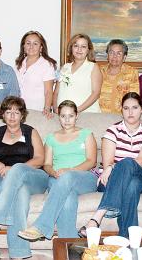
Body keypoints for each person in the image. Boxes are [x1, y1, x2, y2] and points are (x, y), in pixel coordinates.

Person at [0, 96, 49, 260]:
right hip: (6, 180)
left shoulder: (30, 132)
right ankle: (18, 255)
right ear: (3, 115)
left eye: (17, 112)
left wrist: (14, 168)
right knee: (20, 194)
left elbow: (40, 159)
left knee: (18, 168)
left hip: (34, 177)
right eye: (8, 112)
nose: (13, 115)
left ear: (22, 115)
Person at [18, 100, 98, 240]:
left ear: (77, 116)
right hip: (57, 178)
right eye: (63, 116)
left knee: (67, 177)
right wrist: (53, 172)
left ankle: (41, 226)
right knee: (68, 199)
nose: (67, 120)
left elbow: (92, 161)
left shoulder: (86, 134)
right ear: (58, 116)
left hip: (83, 178)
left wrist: (70, 171)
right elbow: (47, 164)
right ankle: (71, 245)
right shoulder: (51, 138)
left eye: (71, 116)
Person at [79, 92, 142, 238]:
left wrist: (115, 166)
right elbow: (107, 163)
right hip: (110, 180)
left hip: (140, 179)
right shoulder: (112, 130)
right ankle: (126, 239)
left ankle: (97, 217)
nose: (130, 112)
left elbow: (141, 161)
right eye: (126, 108)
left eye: (134, 107)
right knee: (131, 185)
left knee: (128, 163)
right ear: (121, 110)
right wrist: (112, 167)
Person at [53, 33, 102, 113]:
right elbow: (56, 92)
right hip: (63, 115)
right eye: (76, 46)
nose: (79, 49)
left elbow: (96, 93)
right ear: (71, 48)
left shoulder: (93, 67)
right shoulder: (64, 67)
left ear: (88, 50)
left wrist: (76, 111)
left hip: (87, 114)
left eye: (83, 46)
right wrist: (55, 109)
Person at [14, 31, 56, 117]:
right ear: (24, 46)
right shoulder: (19, 63)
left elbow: (48, 91)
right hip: (19, 111)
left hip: (37, 110)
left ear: (41, 47)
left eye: (35, 44)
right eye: (28, 43)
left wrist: (47, 108)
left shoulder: (47, 65)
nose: (31, 46)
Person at [99, 39, 139, 114]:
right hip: (100, 116)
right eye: (111, 52)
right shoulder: (99, 71)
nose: (114, 56)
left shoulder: (132, 72)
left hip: (122, 116)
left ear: (124, 57)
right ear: (107, 55)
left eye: (119, 53)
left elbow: (134, 99)